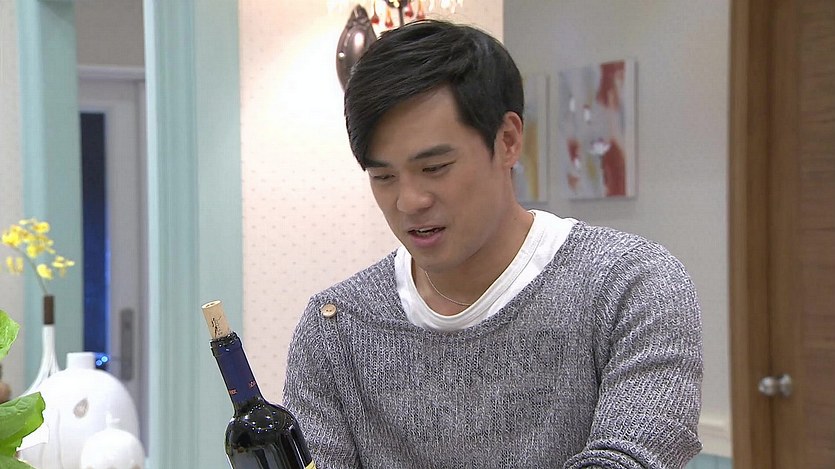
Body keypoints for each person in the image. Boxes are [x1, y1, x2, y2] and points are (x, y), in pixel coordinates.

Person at [283, 19, 702, 469]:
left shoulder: (629, 285)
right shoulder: (336, 328)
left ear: (508, 141)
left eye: (435, 168)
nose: (409, 201)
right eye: (383, 177)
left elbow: (630, 459)